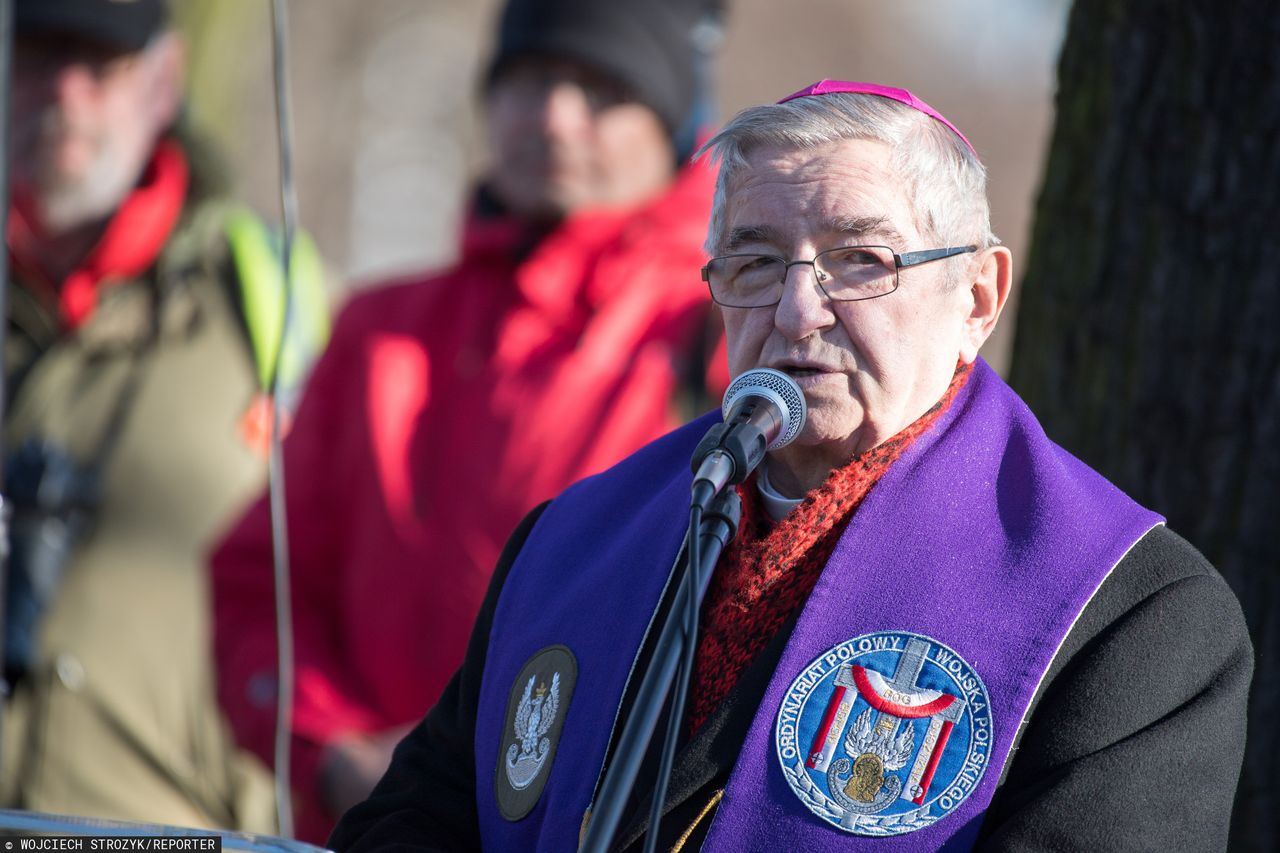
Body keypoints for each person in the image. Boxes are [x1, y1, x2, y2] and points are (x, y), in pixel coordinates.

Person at [327, 81, 1253, 851]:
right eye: (756, 262)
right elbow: (411, 822)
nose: (799, 308)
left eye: (859, 260)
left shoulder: (1131, 614)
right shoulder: (568, 545)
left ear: (977, 295)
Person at [209, 0, 723, 841]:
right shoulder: (381, 329)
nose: (554, 117)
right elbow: (257, 589)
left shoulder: (726, 336)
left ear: (671, 122)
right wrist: (331, 748)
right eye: (527, 81)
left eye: (598, 90)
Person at [1, 0, 327, 832]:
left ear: (163, 81)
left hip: (181, 829)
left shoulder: (271, 304)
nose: (65, 94)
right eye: (39, 56)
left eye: (101, 65)